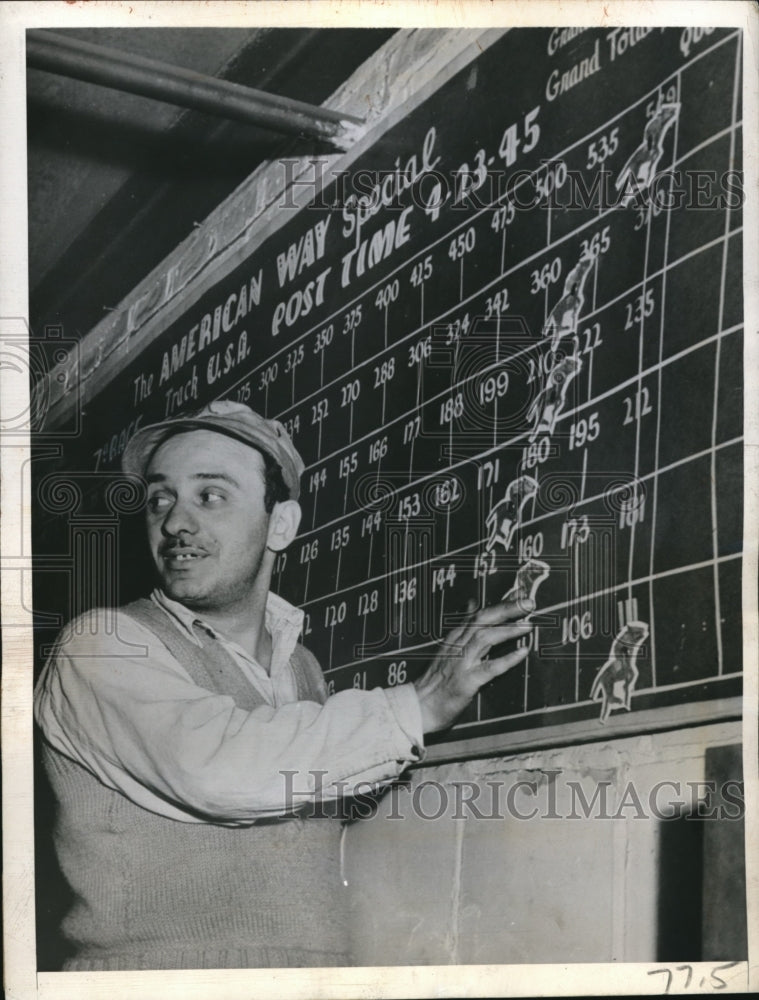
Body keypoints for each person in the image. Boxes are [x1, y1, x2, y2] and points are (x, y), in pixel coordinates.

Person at [34, 400, 532, 971]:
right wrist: (416, 706)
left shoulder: (303, 669)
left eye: (210, 495)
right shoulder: (102, 644)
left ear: (280, 524)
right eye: (160, 498)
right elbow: (213, 766)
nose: (174, 522)